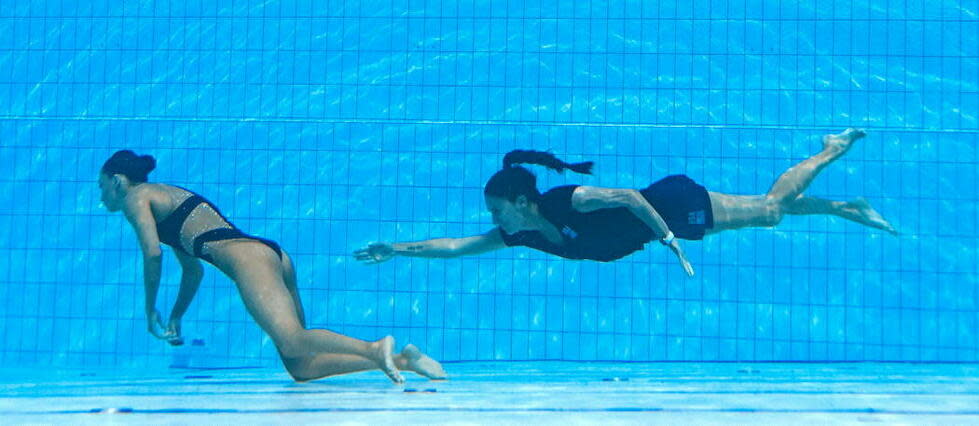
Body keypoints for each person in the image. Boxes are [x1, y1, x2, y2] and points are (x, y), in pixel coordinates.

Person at [99, 150, 445, 384]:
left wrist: (149, 311)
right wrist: (176, 315)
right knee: (302, 365)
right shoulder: (166, 200)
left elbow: (152, 253)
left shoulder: (136, 197)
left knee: (293, 340)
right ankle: (403, 360)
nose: (103, 199)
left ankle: (374, 347)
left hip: (248, 259)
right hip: (272, 255)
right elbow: (193, 271)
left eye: (103, 189)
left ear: (117, 181)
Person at [355, 128, 897, 274]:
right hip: (669, 225)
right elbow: (452, 246)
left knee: (771, 210)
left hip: (671, 205)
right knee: (766, 212)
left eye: (497, 209)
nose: (491, 220)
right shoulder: (519, 233)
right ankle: (850, 207)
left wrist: (668, 240)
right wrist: (397, 249)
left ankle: (829, 149)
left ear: (521, 201)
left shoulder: (572, 200)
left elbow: (632, 197)